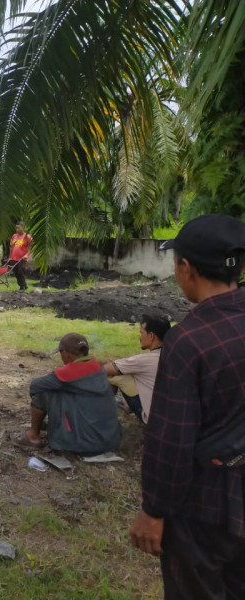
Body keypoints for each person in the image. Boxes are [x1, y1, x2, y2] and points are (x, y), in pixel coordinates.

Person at [129, 214, 245, 600]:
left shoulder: (188, 342)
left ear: (186, 268)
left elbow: (171, 441)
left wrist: (154, 510)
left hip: (205, 510)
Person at [15, 332, 121, 453]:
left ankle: (33, 436)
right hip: (109, 440)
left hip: (82, 444)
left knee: (43, 393)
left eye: (60, 353)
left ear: (66, 354)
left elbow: (35, 386)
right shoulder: (99, 368)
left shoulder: (67, 373)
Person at [103, 314, 171, 423]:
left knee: (115, 374)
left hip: (155, 421)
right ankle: (124, 402)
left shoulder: (143, 360)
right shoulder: (177, 356)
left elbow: (104, 370)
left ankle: (103, 408)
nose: (139, 337)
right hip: (178, 415)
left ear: (151, 336)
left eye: (141, 332)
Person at [8, 221, 33, 291]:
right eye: (16, 228)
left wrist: (27, 255)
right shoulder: (14, 236)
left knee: (20, 271)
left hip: (22, 258)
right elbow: (11, 247)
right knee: (16, 273)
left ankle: (23, 287)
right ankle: (23, 286)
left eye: (18, 228)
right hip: (13, 258)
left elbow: (32, 247)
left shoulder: (27, 236)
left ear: (22, 227)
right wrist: (10, 257)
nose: (17, 230)